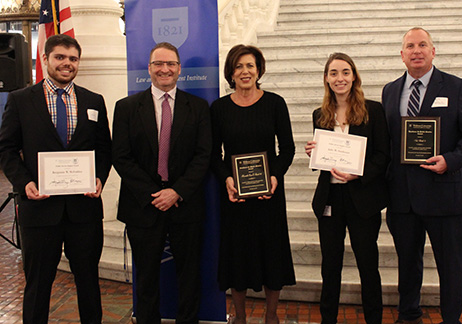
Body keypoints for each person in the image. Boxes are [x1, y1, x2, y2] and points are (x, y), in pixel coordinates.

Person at [0, 34, 112, 324]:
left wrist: (99, 177)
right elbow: (7, 149)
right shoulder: (21, 100)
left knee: (88, 282)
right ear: (46, 59)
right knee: (38, 286)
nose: (67, 63)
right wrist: (24, 183)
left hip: (83, 211)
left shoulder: (93, 100)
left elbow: (104, 149)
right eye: (60, 57)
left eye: (73, 59)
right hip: (39, 211)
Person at [382, 27, 462, 324]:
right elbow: (387, 141)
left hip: (445, 193)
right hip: (402, 198)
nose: (416, 50)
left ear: (433, 51)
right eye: (410, 46)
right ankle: (409, 313)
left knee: (450, 266)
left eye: (422, 45)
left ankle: (451, 319)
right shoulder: (390, 91)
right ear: (402, 54)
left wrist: (450, 160)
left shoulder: (455, 87)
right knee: (408, 264)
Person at [112, 42, 211, 324]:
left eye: (170, 64)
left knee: (189, 275)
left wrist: (176, 191)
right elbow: (121, 157)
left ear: (179, 69)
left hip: (185, 206)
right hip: (143, 205)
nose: (164, 69)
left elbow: (203, 156)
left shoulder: (199, 108)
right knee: (145, 277)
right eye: (158, 64)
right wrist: (155, 194)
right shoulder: (127, 107)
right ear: (149, 69)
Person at [211, 44, 296, 324]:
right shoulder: (219, 108)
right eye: (238, 66)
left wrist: (274, 177)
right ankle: (240, 317)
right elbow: (214, 154)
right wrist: (226, 179)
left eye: (250, 66)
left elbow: (287, 149)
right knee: (238, 256)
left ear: (259, 70)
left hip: (268, 194)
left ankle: (272, 316)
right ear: (230, 73)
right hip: (235, 196)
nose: (244, 71)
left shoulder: (275, 103)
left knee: (272, 253)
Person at [304, 53, 390, 324]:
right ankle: (328, 319)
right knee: (330, 266)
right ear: (326, 79)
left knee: (367, 264)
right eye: (333, 73)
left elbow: (382, 156)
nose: (339, 78)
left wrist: (358, 174)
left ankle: (373, 319)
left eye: (344, 72)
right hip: (330, 197)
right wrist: (313, 154)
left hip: (362, 198)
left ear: (354, 76)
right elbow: (325, 159)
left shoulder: (373, 111)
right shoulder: (320, 114)